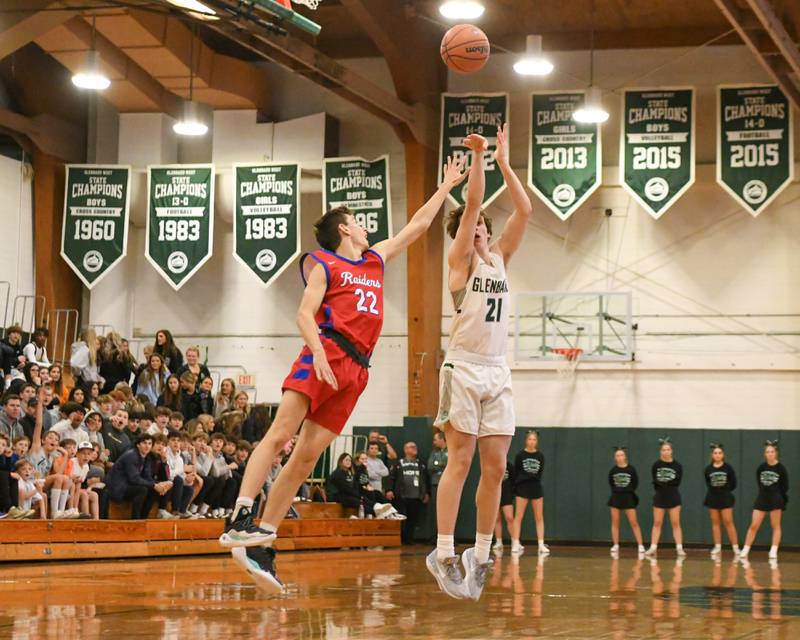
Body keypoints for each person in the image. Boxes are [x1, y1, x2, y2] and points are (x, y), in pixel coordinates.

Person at [219, 154, 468, 593]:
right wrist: (315, 352)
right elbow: (303, 314)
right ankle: (240, 514)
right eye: (357, 220)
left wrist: (445, 187)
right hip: (327, 350)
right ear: (344, 229)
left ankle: (262, 543)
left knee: (306, 457)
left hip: (357, 370)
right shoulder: (323, 264)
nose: (365, 225)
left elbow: (416, 227)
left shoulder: (374, 259)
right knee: (280, 435)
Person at [429, 124, 532, 601]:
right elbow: (471, 205)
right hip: (464, 366)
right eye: (475, 228)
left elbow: (525, 209)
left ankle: (482, 553)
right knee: (461, 459)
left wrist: (506, 163)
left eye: (486, 226)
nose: (482, 229)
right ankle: (445, 551)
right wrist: (479, 158)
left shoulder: (502, 260)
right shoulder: (460, 263)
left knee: (496, 467)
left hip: (498, 369)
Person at [100, 433, 170, 519]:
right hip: (115, 488)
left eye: (149, 443)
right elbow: (134, 478)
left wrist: (159, 485)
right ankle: (136, 520)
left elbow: (147, 476)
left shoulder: (145, 457)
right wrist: (154, 485)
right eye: (144, 443)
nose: (147, 446)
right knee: (142, 489)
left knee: (151, 489)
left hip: (126, 486)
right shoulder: (131, 455)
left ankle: (142, 518)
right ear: (138, 445)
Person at [740, 440, 788, 560]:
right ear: (765, 454)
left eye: (772, 451)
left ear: (776, 453)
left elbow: (785, 487)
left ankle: (774, 550)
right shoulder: (761, 467)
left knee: (775, 525)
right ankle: (746, 549)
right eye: (767, 452)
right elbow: (759, 482)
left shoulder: (781, 469)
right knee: (754, 525)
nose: (770, 454)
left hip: (776, 499)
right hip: (762, 498)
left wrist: (780, 499)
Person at [644, 437, 685, 558]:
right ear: (660, 451)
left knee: (676, 523)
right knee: (657, 523)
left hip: (673, 497)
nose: (666, 452)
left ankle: (679, 548)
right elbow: (655, 482)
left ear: (671, 451)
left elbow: (676, 482)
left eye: (668, 449)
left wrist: (665, 484)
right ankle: (653, 547)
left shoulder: (677, 466)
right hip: (660, 497)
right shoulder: (656, 465)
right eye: (663, 450)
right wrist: (663, 485)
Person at [510, 431, 547, 557]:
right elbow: (516, 472)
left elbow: (540, 473)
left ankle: (541, 544)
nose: (532, 441)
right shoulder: (520, 455)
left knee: (539, 517)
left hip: (535, 487)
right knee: (518, 516)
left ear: (537, 442)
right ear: (526, 440)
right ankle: (515, 542)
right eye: (530, 439)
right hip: (523, 488)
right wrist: (520, 483)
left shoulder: (540, 456)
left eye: (534, 439)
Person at [387, 441, 429, 544]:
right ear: (405, 450)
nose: (415, 448)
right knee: (401, 518)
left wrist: (426, 493)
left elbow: (425, 479)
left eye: (415, 446)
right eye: (411, 447)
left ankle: (409, 539)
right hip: (401, 495)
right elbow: (392, 477)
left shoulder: (421, 464)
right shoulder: (399, 463)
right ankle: (400, 538)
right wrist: (389, 490)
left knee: (413, 519)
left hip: (416, 496)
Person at [704, 443, 739, 559]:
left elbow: (733, 483)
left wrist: (725, 489)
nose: (717, 455)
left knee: (728, 522)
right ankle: (717, 546)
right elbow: (708, 483)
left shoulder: (728, 468)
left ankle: (735, 547)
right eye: (715, 453)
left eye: (719, 453)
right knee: (715, 523)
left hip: (725, 498)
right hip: (713, 498)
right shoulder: (708, 469)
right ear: (712, 455)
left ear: (723, 455)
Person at [608, 446, 645, 558]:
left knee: (634, 522)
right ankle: (615, 544)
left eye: (622, 455)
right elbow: (611, 483)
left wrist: (627, 491)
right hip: (615, 498)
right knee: (615, 522)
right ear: (615, 458)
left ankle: (640, 545)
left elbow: (635, 483)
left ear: (625, 456)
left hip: (628, 498)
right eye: (617, 455)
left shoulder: (631, 469)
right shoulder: (613, 471)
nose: (620, 457)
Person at [427, 431, 448, 541]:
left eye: (435, 439)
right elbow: (430, 466)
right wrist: (442, 465)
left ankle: (450, 536)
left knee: (449, 510)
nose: (434, 442)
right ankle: (435, 536)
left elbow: (451, 465)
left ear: (442, 439)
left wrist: (439, 464)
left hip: (449, 485)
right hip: (436, 484)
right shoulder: (434, 453)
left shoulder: (450, 451)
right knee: (436, 510)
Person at [493, 459, 515, 554]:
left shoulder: (509, 465)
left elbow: (514, 479)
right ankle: (498, 542)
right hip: (494, 493)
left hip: (506, 494)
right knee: (496, 518)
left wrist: (511, 492)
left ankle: (515, 541)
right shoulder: (491, 463)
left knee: (509, 517)